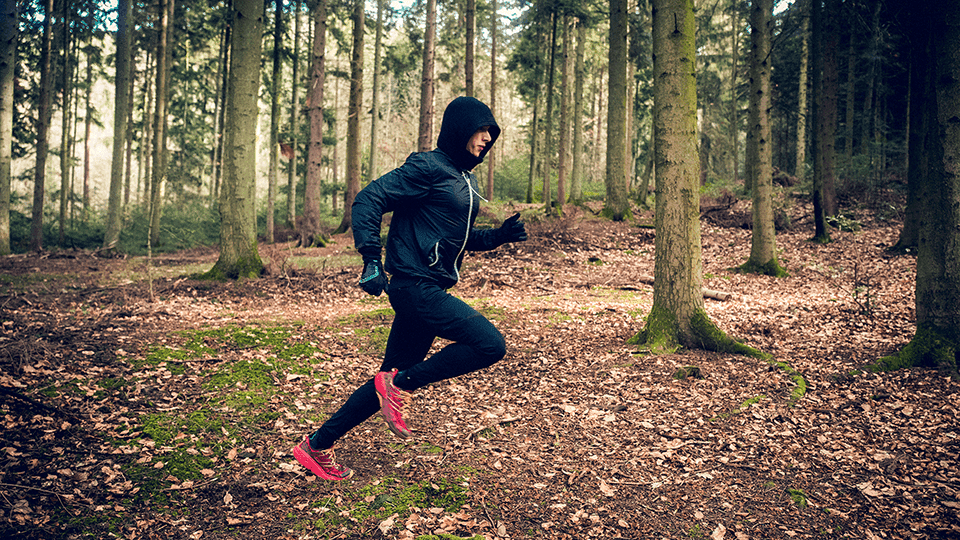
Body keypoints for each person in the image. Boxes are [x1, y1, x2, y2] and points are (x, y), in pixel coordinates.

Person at [293, 96, 528, 480]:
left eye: (492, 132)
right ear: (460, 128)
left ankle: (316, 444)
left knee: (386, 376)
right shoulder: (427, 167)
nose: (488, 137)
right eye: (482, 129)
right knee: (489, 344)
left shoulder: (461, 178)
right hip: (415, 287)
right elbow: (369, 199)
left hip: (426, 287)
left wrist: (499, 236)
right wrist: (370, 255)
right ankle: (398, 385)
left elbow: (459, 239)